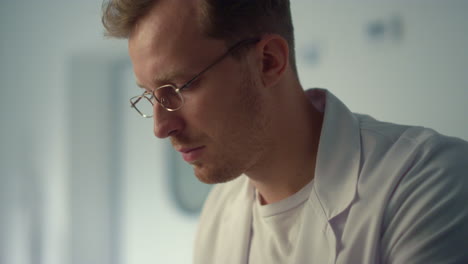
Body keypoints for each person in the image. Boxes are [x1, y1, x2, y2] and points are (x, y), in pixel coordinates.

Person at [101, 0, 468, 263]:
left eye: (178, 89)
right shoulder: (218, 214)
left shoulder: (428, 182)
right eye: (150, 96)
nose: (161, 128)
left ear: (268, 62)